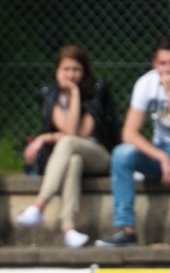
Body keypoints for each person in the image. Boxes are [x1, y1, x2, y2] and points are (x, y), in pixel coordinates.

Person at [98, 34, 170, 248]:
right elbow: (129, 133)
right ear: (154, 64)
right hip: (163, 152)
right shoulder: (146, 83)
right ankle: (126, 230)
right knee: (122, 153)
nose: (168, 69)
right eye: (162, 63)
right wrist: (161, 157)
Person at [14, 44, 119, 248]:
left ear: (84, 71)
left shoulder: (97, 90)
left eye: (76, 69)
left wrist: (75, 95)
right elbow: (69, 132)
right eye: (66, 69)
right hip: (70, 155)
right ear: (57, 71)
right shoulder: (50, 94)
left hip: (99, 155)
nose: (71, 74)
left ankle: (39, 206)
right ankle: (69, 229)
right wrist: (52, 134)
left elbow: (77, 134)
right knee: (73, 160)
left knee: (69, 143)